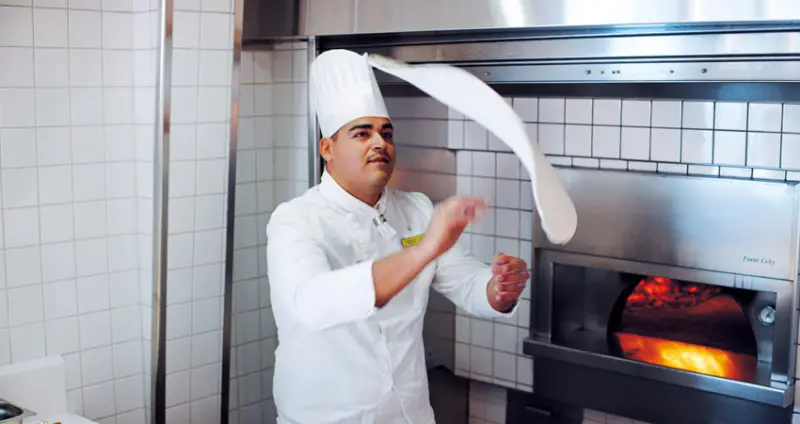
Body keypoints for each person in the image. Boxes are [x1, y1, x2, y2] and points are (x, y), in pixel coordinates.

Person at [266, 49, 530, 424]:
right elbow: (313, 305)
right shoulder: (295, 220)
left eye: (386, 133)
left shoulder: (417, 209)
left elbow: (469, 284)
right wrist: (425, 249)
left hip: (409, 414)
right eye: (362, 133)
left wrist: (499, 287)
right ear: (328, 148)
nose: (380, 142)